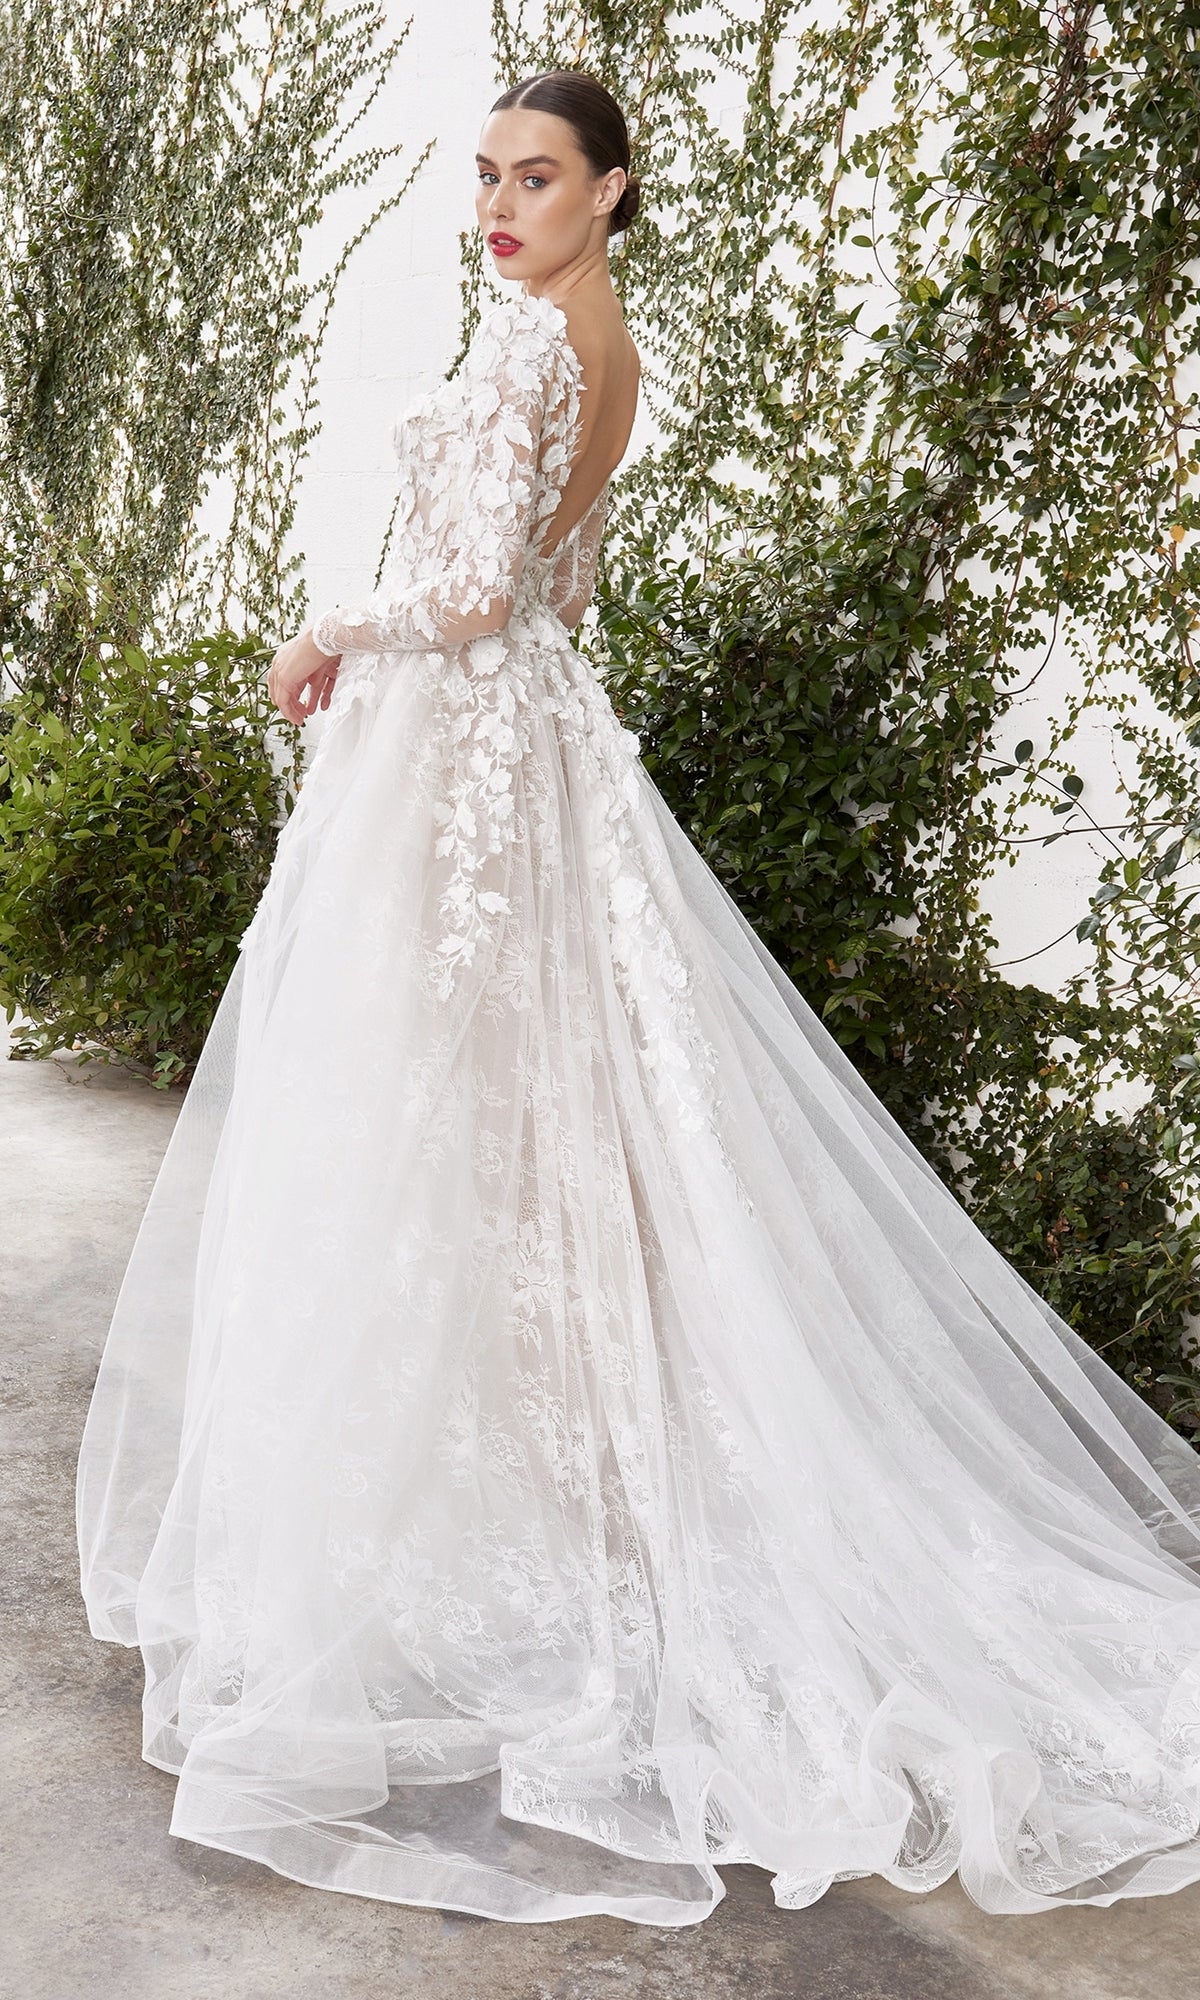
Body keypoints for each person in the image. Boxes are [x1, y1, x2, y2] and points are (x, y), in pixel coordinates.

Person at [76, 68, 1200, 1929]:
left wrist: (322, 631)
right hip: (531, 752)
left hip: (463, 756)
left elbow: (456, 594)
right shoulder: (607, 345)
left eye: (537, 178)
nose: (500, 207)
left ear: (613, 187)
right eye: (489, 179)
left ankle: (502, 1528)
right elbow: (553, 596)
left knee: (446, 1132)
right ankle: (581, 1500)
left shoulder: (532, 349)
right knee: (536, 1131)